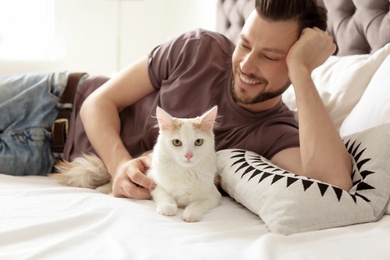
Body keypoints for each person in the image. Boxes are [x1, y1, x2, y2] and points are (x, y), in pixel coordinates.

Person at [0, 0, 352, 199]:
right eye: (245, 44)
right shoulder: (200, 48)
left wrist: (301, 71)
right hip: (54, 97)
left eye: (271, 57)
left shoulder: (276, 132)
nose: (246, 65)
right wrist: (121, 167)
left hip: (48, 160)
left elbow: (335, 185)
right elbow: (98, 102)